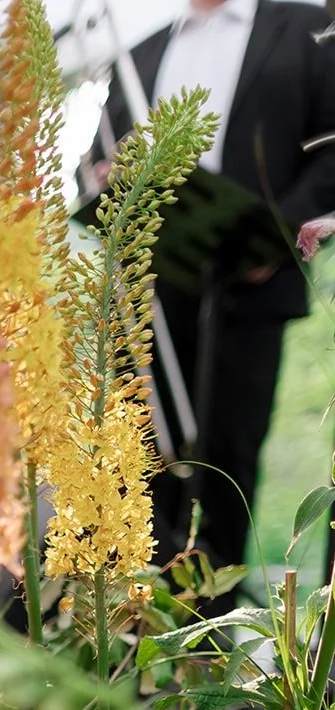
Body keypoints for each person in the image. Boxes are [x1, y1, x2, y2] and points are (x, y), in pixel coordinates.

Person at [100, 0, 335, 573]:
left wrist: (275, 240)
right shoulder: (139, 52)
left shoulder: (309, 29)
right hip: (148, 295)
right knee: (135, 460)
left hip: (251, 285)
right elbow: (101, 157)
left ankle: (208, 633)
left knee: (226, 466)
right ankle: (136, 624)